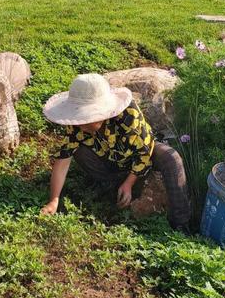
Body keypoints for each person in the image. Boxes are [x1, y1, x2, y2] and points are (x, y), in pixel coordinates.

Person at [40, 73, 191, 232]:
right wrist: (54, 200)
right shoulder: (76, 124)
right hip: (107, 156)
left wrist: (129, 183)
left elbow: (144, 151)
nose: (82, 124)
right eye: (80, 117)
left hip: (139, 153)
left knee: (171, 158)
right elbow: (63, 160)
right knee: (80, 151)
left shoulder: (127, 113)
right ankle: (111, 185)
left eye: (87, 117)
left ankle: (181, 222)